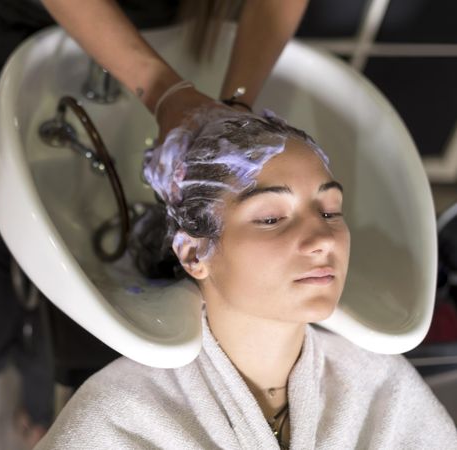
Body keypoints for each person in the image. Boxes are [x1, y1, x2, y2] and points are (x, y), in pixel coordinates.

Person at [0, 0, 311, 448]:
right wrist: (163, 91)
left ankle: (41, 410)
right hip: (20, 35)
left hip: (171, 41)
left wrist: (234, 105)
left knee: (69, 280)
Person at [34, 108, 457, 449]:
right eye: (272, 217)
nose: (322, 239)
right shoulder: (117, 420)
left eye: (330, 211)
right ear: (195, 252)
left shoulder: (382, 386)